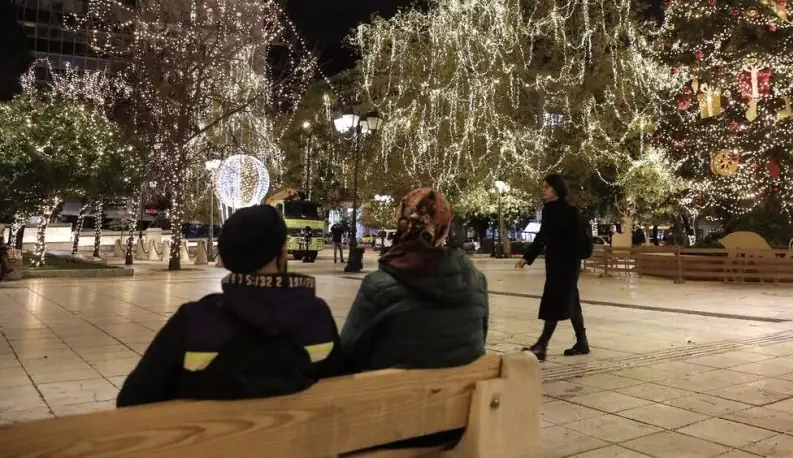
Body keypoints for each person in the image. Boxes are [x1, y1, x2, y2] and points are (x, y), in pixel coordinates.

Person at [116, 205, 343, 407]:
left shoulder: (193, 322)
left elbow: (132, 401)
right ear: (282, 255)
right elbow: (340, 387)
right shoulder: (317, 315)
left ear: (226, 259)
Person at [337, 188, 488, 374]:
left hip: (391, 399)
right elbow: (478, 343)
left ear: (401, 221)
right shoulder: (477, 282)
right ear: (444, 228)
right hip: (467, 398)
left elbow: (345, 357)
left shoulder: (378, 287)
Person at [515, 174, 589, 362]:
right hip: (555, 263)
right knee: (572, 302)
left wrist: (567, 257)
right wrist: (527, 257)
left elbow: (577, 241)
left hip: (567, 265)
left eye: (547, 186)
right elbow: (542, 237)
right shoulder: (549, 209)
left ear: (556, 188)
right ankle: (582, 343)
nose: (543, 189)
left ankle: (542, 345)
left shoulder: (570, 212)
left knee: (554, 301)